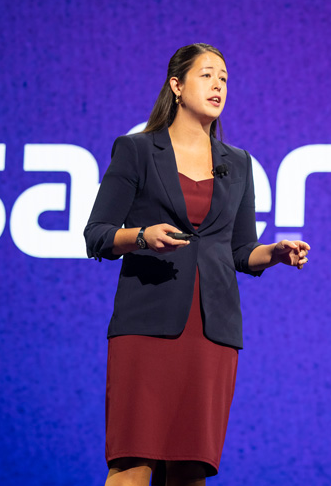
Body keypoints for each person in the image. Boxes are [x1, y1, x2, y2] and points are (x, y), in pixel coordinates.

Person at [84, 43, 310, 486]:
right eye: (207, 75)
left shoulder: (239, 164)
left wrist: (276, 254)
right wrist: (143, 236)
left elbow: (242, 251)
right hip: (147, 323)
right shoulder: (137, 151)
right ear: (177, 85)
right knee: (132, 463)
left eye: (224, 78)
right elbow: (97, 235)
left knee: (190, 470)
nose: (218, 85)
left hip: (212, 331)